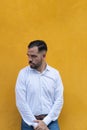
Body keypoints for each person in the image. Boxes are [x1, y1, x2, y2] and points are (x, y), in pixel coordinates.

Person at [15, 40, 64, 130]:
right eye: (28, 56)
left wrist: (45, 122)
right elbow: (21, 102)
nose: (30, 59)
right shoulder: (23, 74)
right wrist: (36, 125)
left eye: (33, 56)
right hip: (29, 122)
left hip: (50, 122)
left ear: (44, 55)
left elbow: (59, 100)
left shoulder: (55, 74)